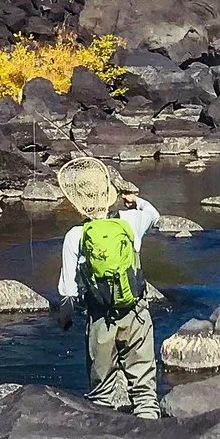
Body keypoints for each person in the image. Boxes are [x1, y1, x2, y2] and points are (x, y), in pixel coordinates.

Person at [54, 156, 162, 418]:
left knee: (101, 395)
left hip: (101, 319)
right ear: (108, 195)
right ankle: (152, 438)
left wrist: (66, 321)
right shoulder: (130, 221)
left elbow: (68, 291)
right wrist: (136, 201)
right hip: (137, 314)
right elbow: (154, 215)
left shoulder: (74, 237)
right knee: (145, 392)